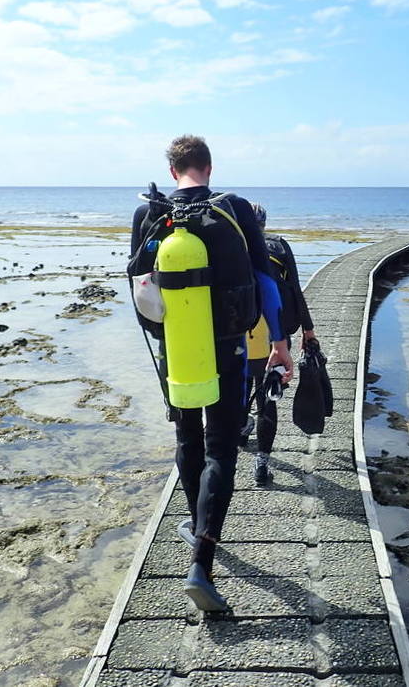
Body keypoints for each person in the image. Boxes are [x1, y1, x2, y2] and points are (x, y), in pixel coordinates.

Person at [129, 135, 293, 611]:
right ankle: (201, 561)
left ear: (173, 168)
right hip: (229, 349)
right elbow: (266, 284)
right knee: (222, 445)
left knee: (188, 441)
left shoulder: (148, 213)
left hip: (176, 349)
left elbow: (141, 289)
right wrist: (279, 344)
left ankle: (192, 520)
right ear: (209, 167)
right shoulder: (235, 208)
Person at [242, 203, 318, 485]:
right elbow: (295, 290)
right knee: (267, 399)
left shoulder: (229, 248)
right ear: (263, 223)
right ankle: (261, 465)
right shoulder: (278, 246)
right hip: (274, 334)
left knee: (240, 390)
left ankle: (241, 427)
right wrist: (308, 332)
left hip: (238, 335)